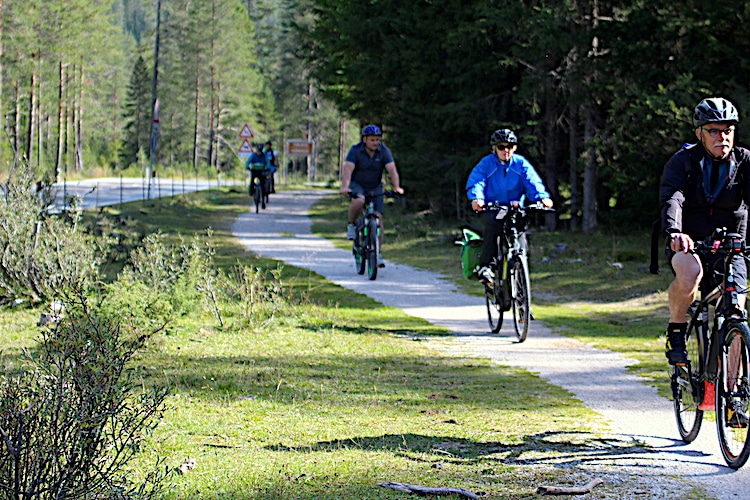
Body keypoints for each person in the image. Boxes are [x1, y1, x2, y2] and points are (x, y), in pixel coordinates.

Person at [660, 96, 750, 410]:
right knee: (690, 274)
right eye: (713, 130)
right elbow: (673, 198)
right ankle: (677, 329)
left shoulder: (744, 161)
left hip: (733, 246)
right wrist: (675, 232)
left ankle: (733, 395)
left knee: (737, 311)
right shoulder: (683, 162)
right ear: (700, 133)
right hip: (690, 241)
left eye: (728, 130)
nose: (721, 137)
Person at [465, 128, 553, 284]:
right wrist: (477, 199)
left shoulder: (520, 164)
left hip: (515, 208)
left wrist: (542, 198)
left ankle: (522, 286)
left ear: (515, 148)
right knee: (493, 227)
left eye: (509, 147)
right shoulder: (486, 164)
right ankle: (488, 267)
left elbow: (533, 182)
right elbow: (477, 181)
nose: (506, 150)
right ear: (494, 148)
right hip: (492, 208)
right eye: (501, 147)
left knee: (520, 235)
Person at [339, 124, 404, 268]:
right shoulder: (355, 151)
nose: (375, 143)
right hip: (358, 184)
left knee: (378, 219)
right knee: (359, 200)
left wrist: (396, 187)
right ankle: (351, 224)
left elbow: (392, 170)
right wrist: (345, 186)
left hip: (375, 185)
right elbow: (348, 169)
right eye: (372, 140)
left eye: (377, 140)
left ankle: (377, 253)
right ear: (365, 140)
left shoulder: (383, 151)